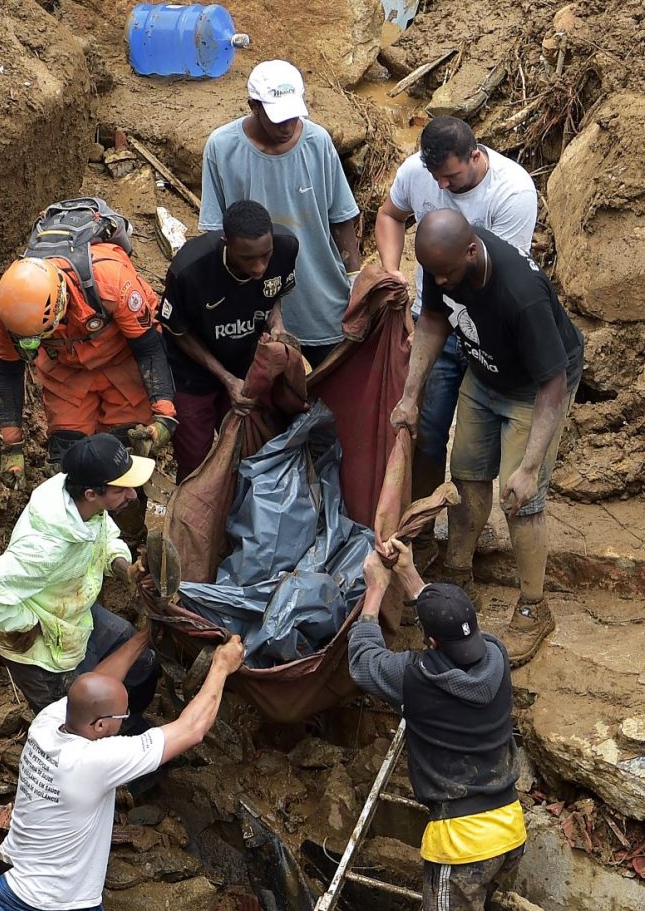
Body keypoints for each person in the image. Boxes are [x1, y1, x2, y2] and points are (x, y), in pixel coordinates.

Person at [390, 210, 583, 661]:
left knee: (520, 501)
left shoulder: (520, 294)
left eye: (449, 274)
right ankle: (459, 573)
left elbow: (553, 383)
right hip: (485, 375)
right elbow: (434, 322)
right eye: (435, 274)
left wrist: (530, 468)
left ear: (472, 252)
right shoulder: (444, 262)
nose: (442, 282)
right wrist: (410, 396)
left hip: (534, 389)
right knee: (467, 476)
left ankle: (534, 607)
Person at [0, 634, 246, 911]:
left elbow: (97, 682)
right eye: (123, 715)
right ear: (100, 725)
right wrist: (221, 666)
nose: (125, 720)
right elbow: (191, 729)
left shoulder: (49, 722)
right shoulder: (93, 762)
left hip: (16, 885)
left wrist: (147, 635)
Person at [374, 117, 538, 564]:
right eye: (437, 178)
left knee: (472, 448)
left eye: (453, 176)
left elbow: (499, 283)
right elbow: (390, 215)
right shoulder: (417, 172)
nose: (443, 185)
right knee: (424, 430)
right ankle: (421, 530)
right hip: (434, 322)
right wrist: (393, 270)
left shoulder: (512, 192)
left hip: (489, 330)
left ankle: (465, 545)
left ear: (476, 155)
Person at [348, 540, 526, 911]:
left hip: (462, 845)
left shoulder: (420, 678)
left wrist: (375, 589)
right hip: (509, 830)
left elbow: (362, 663)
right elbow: (446, 628)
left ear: (429, 643)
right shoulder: (497, 656)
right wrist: (410, 574)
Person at [0, 241, 177, 540]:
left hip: (121, 363)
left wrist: (164, 415)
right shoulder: (9, 309)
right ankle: (76, 540)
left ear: (60, 306)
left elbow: (150, 349)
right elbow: (7, 369)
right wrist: (12, 445)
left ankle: (127, 535)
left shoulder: (112, 283)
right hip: (66, 372)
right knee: (67, 463)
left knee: (121, 457)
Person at [0, 434, 160, 717]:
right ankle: (108, 742)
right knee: (78, 719)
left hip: (76, 612)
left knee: (141, 663)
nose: (132, 495)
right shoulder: (45, 547)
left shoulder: (83, 502)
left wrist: (124, 568)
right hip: (45, 651)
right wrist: (26, 623)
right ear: (92, 493)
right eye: (122, 490)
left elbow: (104, 536)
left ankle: (128, 722)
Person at [197, 59, 361, 368]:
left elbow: (341, 218)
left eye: (292, 116)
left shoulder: (317, 142)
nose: (287, 127)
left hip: (320, 295)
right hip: (253, 302)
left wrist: (354, 277)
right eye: (277, 119)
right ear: (254, 107)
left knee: (333, 392)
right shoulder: (222, 148)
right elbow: (213, 233)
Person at [161, 199, 298, 479]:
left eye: (265, 255)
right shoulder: (189, 269)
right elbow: (179, 332)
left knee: (247, 448)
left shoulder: (286, 247)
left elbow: (274, 295)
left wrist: (277, 323)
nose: (260, 267)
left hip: (243, 364)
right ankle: (191, 518)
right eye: (248, 258)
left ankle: (239, 515)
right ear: (226, 243)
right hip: (191, 374)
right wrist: (225, 378)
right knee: (195, 457)